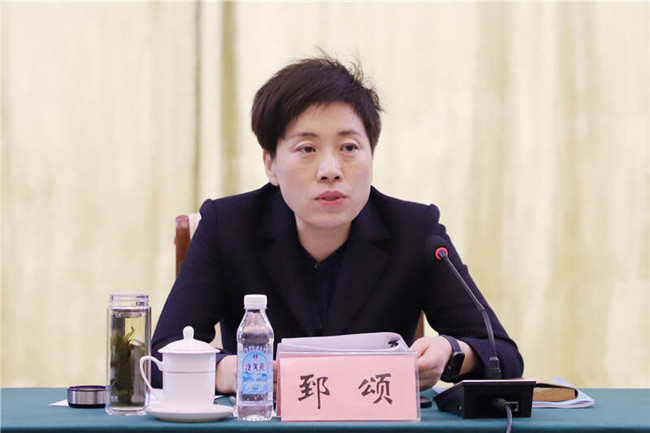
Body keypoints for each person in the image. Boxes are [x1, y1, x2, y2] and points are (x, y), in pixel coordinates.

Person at [151, 56, 524, 393]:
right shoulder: (228, 227)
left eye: (348, 148)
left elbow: (504, 355)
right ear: (270, 165)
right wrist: (226, 371)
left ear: (372, 154)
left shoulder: (415, 231)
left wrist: (451, 352)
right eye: (307, 149)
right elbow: (160, 356)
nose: (330, 170)